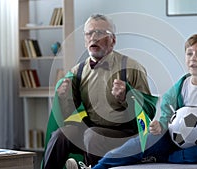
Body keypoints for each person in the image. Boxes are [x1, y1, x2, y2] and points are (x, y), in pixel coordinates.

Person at [92, 33, 197, 169]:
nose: (193, 58)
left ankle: (167, 157)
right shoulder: (177, 90)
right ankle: (99, 166)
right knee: (142, 142)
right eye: (189, 53)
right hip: (176, 141)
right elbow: (166, 117)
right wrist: (160, 126)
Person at [43, 14, 156, 169]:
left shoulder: (132, 68)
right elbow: (70, 113)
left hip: (125, 133)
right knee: (60, 136)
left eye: (101, 33)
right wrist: (64, 97)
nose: (94, 38)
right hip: (91, 128)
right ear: (85, 40)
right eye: (89, 33)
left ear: (113, 40)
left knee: (93, 136)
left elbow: (149, 110)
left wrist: (127, 97)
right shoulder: (78, 71)